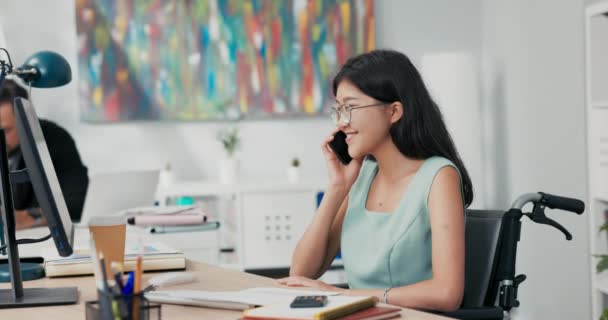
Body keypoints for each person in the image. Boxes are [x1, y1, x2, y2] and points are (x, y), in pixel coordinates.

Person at [278, 50, 473, 312]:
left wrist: (343, 295)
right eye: (338, 109)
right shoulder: (362, 176)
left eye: (350, 107)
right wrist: (337, 187)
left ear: (393, 111)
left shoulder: (439, 177)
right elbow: (302, 273)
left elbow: (447, 293)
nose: (341, 121)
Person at [0, 79, 89, 229]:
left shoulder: (55, 139)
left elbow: (78, 201)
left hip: (40, 238)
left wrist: (31, 216)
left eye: (6, 131)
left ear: (26, 120)